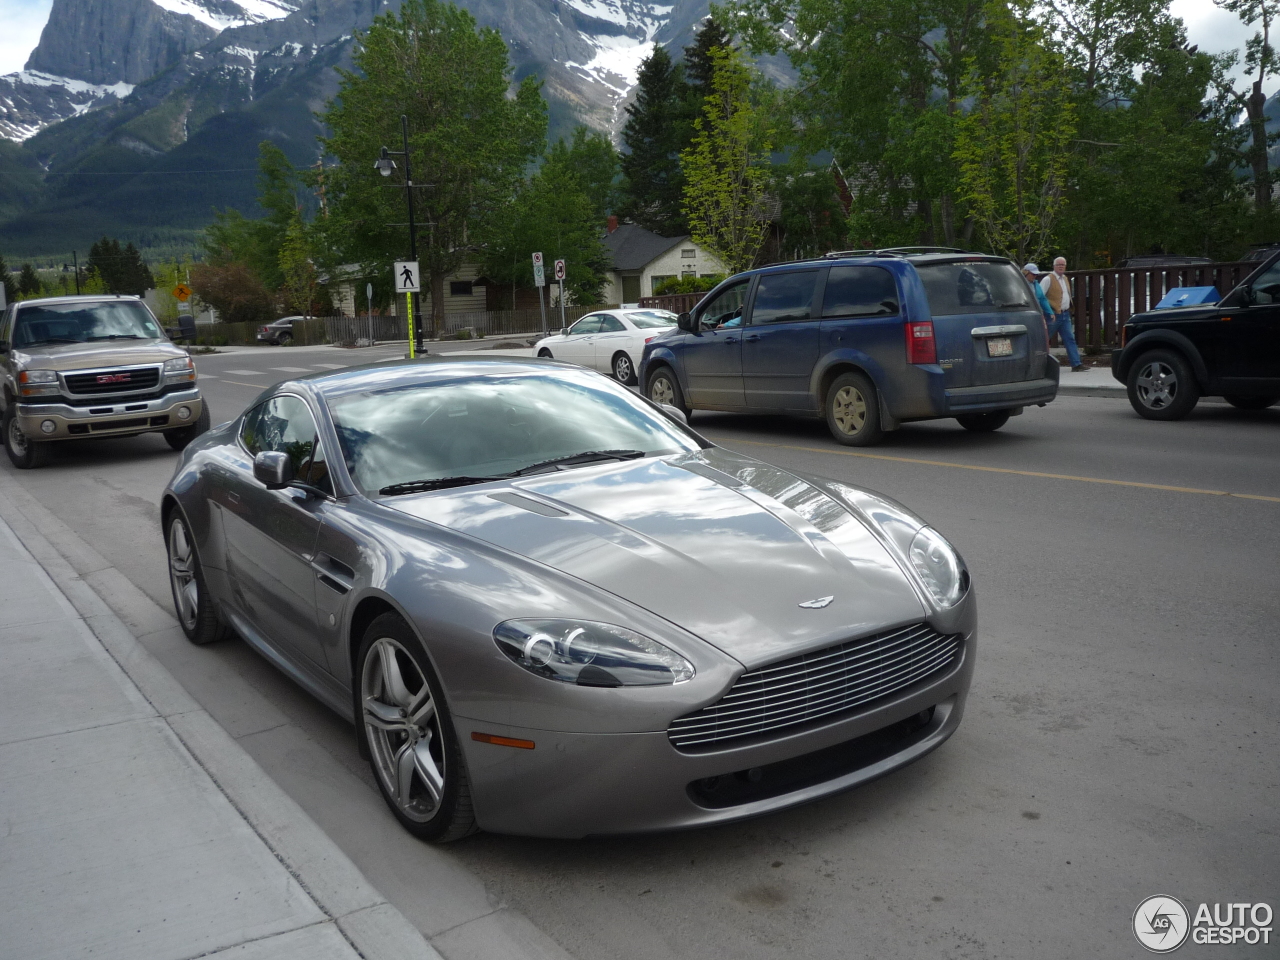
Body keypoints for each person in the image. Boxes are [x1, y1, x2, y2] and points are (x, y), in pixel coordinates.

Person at [1040, 256, 1085, 371]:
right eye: (1058, 264)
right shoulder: (1048, 279)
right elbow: (1039, 296)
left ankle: (1076, 364)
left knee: (1070, 338)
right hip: (1052, 315)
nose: (1061, 266)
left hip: (1065, 314)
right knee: (1043, 340)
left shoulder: (1065, 278)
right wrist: (1046, 312)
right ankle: (1038, 363)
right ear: (1054, 266)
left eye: (1063, 265)